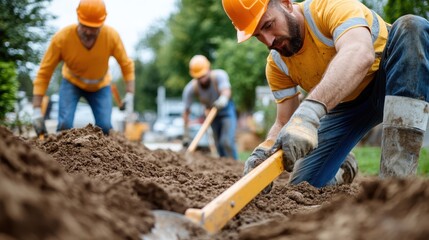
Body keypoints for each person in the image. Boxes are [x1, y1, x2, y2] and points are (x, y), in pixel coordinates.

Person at [222, 0, 429, 188]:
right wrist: (264, 152)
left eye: (268, 25)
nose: (268, 41)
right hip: (346, 106)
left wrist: (309, 112)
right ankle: (342, 170)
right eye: (258, 35)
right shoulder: (277, 65)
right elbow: (283, 120)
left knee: (411, 27)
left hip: (393, 77)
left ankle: (394, 186)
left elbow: (359, 52)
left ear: (285, 3)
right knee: (304, 184)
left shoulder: (329, 7)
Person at [32, 0, 135, 136]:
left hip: (100, 86)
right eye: (84, 26)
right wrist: (36, 109)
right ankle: (61, 156)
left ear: (102, 23)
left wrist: (130, 93)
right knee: (65, 125)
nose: (88, 31)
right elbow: (44, 72)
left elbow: (126, 64)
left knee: (105, 127)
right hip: (71, 83)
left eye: (93, 28)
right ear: (78, 18)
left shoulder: (111, 37)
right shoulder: (62, 39)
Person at [182, 55, 239, 160]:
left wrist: (222, 100)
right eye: (199, 78)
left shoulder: (219, 75)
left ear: (209, 69)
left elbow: (226, 91)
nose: (202, 80)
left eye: (203, 76)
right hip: (211, 115)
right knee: (218, 145)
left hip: (226, 111)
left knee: (226, 141)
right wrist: (186, 133)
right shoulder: (190, 88)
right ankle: (225, 168)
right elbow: (186, 111)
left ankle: (235, 165)